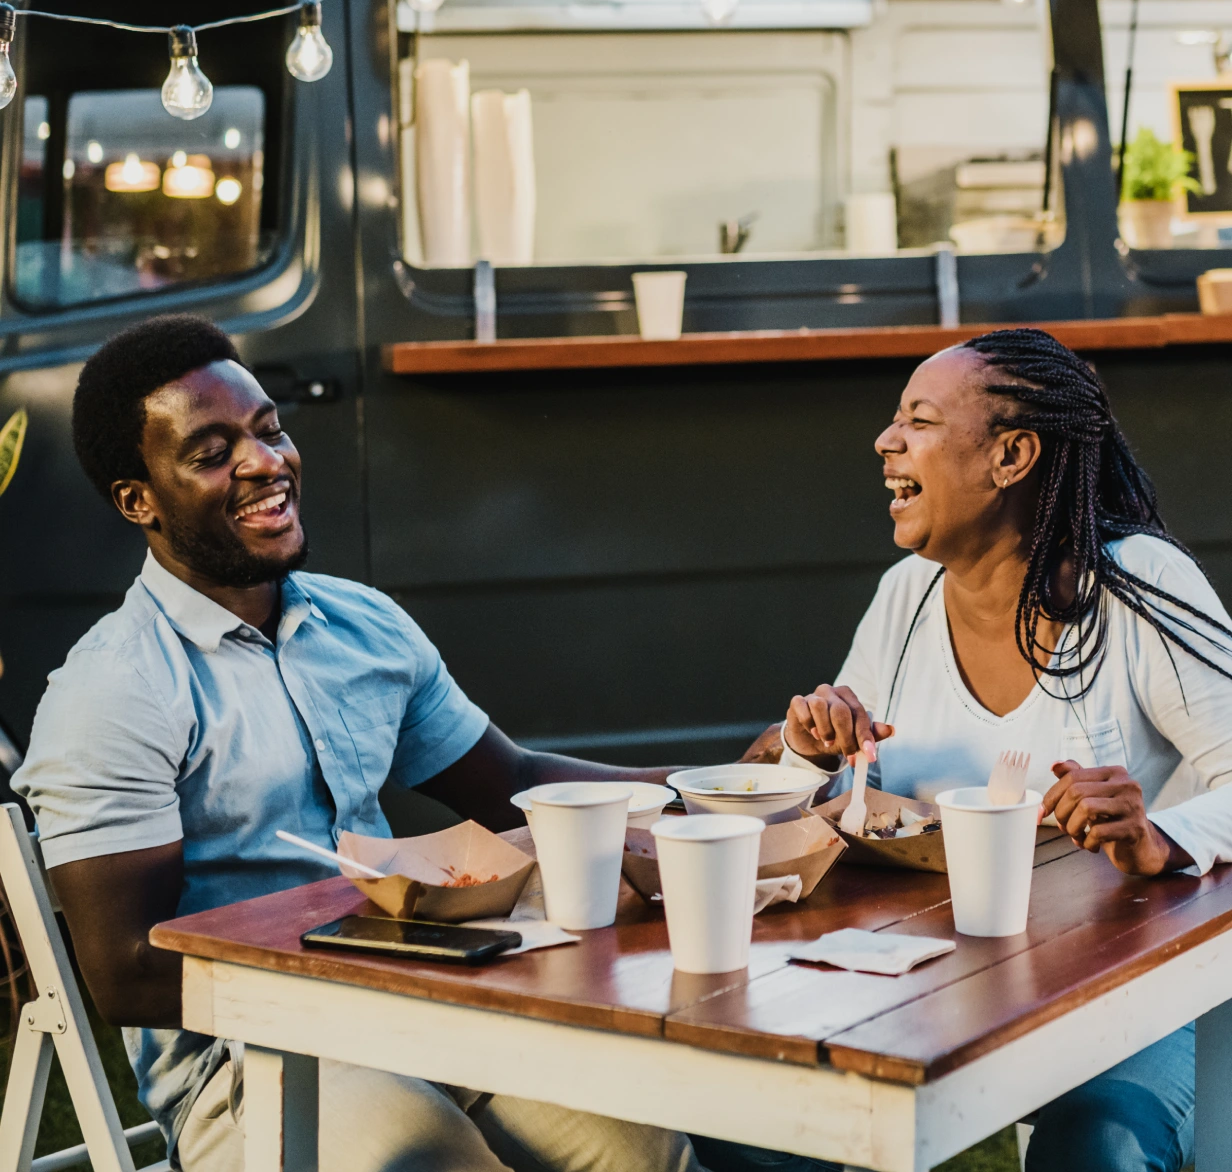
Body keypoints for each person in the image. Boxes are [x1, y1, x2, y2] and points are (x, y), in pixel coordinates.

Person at [13, 315, 708, 1172]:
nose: (266, 463)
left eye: (270, 431)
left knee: (642, 1144)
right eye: (212, 451)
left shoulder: (364, 625)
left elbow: (515, 782)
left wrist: (717, 785)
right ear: (138, 500)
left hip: (427, 1008)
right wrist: (378, 948)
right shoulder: (114, 692)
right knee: (428, 1156)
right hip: (249, 1064)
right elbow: (125, 973)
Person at [773, 327, 1232, 1172]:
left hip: (1115, 996)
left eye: (920, 420)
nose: (886, 440)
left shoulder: (1137, 587)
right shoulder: (904, 596)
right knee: (764, 1126)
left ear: (1012, 455)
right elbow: (833, 796)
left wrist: (1159, 838)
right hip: (920, 986)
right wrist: (815, 750)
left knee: (1100, 1147)